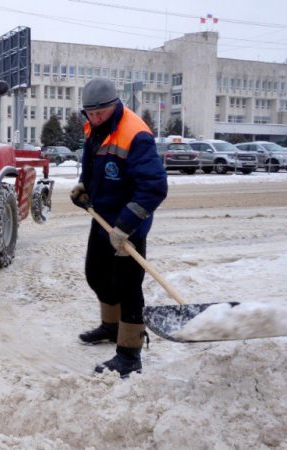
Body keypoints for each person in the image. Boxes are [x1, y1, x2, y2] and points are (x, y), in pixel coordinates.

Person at [70, 77, 168, 378]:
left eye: (100, 113)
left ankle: (129, 353)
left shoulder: (135, 134)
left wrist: (125, 226)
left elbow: (154, 187)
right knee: (96, 275)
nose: (94, 119)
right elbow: (93, 162)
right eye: (90, 113)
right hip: (102, 217)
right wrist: (85, 185)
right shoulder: (93, 127)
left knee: (127, 287)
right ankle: (110, 327)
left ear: (113, 106)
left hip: (129, 224)